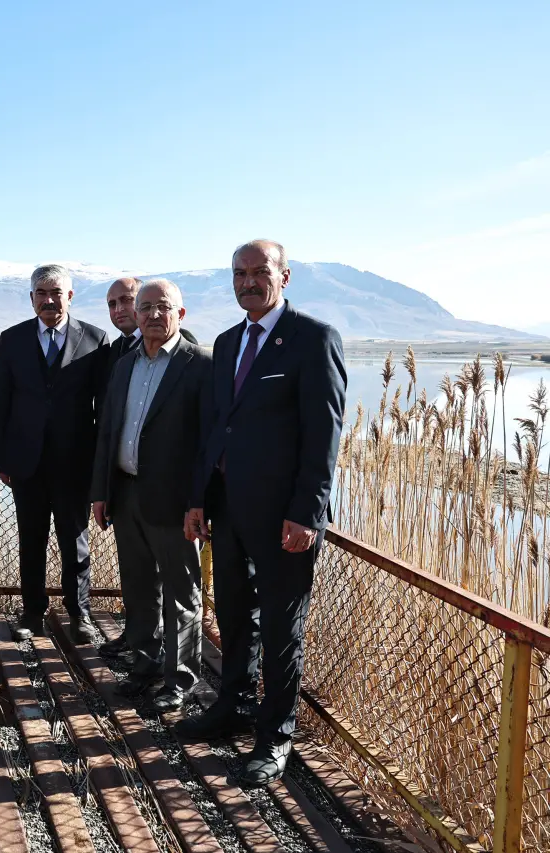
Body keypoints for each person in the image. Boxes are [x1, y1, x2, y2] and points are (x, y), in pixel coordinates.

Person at [179, 239, 347, 787]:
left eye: (259, 272)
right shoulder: (228, 342)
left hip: (284, 519)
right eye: (239, 273)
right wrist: (198, 498)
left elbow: (323, 436)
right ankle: (232, 707)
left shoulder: (313, 339)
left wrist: (307, 513)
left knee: (281, 627)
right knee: (233, 615)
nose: (248, 282)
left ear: (284, 276)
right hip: (228, 511)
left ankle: (275, 736)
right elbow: (215, 428)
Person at [90, 279, 211, 711]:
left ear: (181, 313)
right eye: (145, 308)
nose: (153, 315)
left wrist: (199, 502)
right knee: (139, 588)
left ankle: (180, 680)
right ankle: (144, 665)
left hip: (175, 502)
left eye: (163, 307)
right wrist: (101, 492)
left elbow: (208, 443)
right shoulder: (125, 364)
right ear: (136, 316)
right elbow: (108, 431)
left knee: (181, 594)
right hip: (126, 494)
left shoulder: (200, 364)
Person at [0, 264, 110, 643]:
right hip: (26, 463)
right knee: (31, 541)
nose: (48, 300)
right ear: (31, 298)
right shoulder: (12, 339)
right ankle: (32, 613)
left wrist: (98, 466)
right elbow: (2, 403)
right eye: (41, 294)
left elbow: (103, 409)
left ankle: (80, 614)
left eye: (55, 293)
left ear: (69, 296)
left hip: (74, 464)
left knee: (75, 543)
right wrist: (3, 457)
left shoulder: (95, 339)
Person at [106, 275, 197, 372]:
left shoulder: (179, 339)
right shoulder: (114, 348)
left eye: (126, 300)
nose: (118, 309)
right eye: (112, 304)